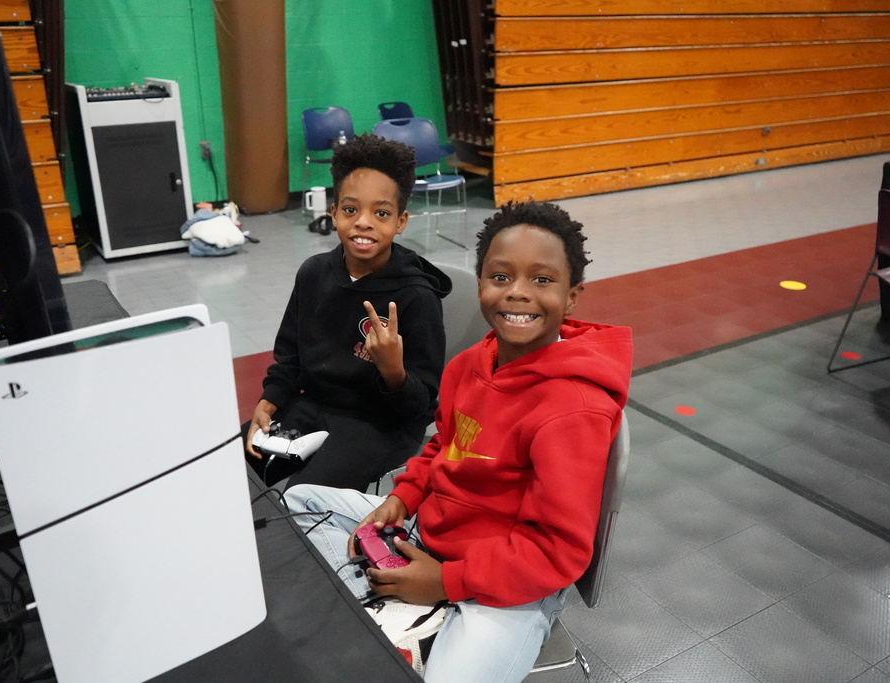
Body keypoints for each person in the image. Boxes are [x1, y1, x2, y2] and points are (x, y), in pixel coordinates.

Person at [284, 201, 633, 682]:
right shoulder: (470, 364)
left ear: (572, 297)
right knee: (299, 499)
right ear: (481, 283)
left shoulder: (574, 410)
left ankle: (418, 613)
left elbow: (557, 551)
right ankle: (411, 612)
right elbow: (442, 446)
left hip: (512, 580)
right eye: (501, 276)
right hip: (430, 537)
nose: (518, 294)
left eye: (542, 280)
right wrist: (403, 498)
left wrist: (446, 582)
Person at [244, 133, 451, 491]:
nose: (364, 222)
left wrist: (393, 370)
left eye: (381, 213)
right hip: (316, 406)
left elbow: (420, 405)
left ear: (400, 222)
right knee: (230, 472)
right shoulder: (313, 273)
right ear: (334, 213)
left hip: (381, 423)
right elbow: (289, 357)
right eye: (351, 210)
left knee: (302, 499)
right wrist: (270, 399)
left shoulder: (416, 296)